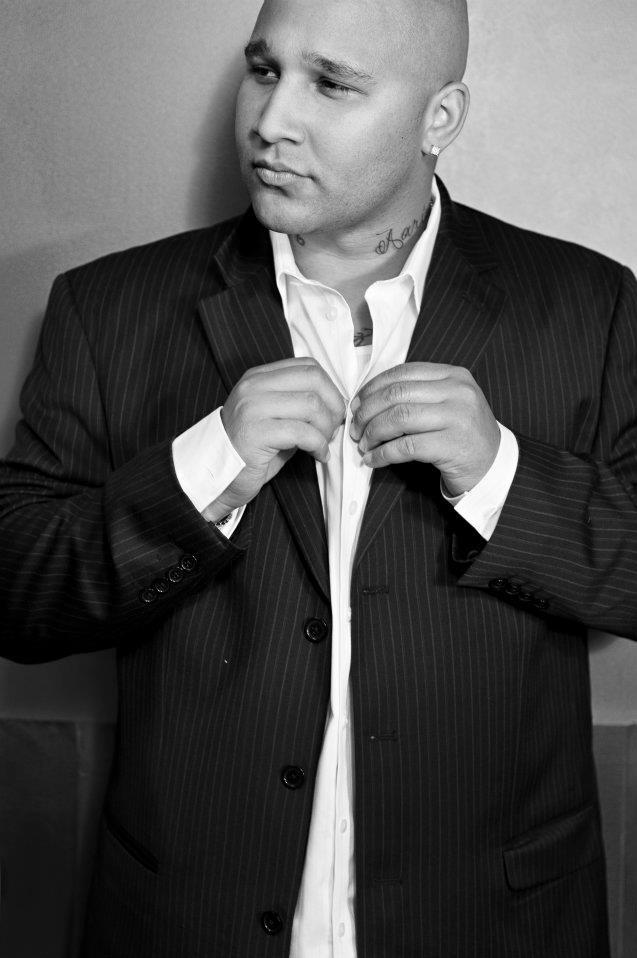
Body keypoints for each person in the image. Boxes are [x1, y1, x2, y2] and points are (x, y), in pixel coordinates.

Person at [1, 0, 636, 954]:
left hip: (491, 923)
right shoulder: (106, 308)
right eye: (264, 70)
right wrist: (205, 466)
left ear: (438, 118)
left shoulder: (590, 305)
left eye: (331, 84)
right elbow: (16, 598)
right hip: (189, 922)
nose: (271, 119)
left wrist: (499, 472)